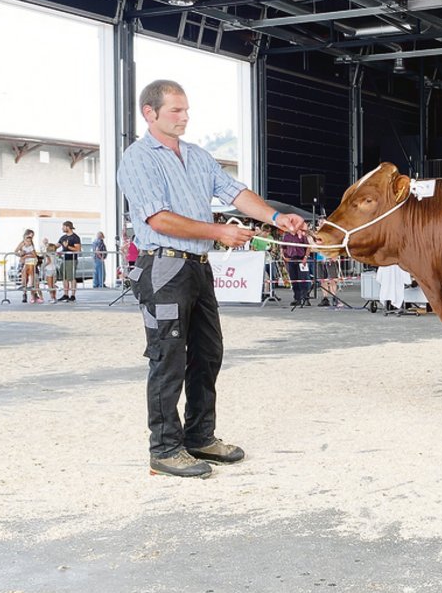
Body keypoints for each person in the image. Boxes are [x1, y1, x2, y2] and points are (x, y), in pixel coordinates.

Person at [117, 78, 308, 479]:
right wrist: (219, 232)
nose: (185, 117)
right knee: (167, 356)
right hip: (164, 266)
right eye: (175, 110)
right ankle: (165, 449)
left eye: (186, 110)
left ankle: (200, 436)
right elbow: (158, 218)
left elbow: (235, 192)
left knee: (208, 353)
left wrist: (276, 218)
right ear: (149, 113)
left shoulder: (198, 156)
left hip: (197, 266)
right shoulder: (137, 158)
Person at [281, 227, 310, 309]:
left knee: (303, 279)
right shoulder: (286, 236)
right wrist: (284, 257)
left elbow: (308, 247)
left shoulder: (302, 236)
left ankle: (305, 298)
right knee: (294, 280)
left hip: (301, 259)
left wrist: (305, 258)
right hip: (291, 259)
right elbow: (283, 248)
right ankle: (297, 298)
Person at [13, 228, 42, 303]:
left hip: (31, 262)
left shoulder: (31, 243)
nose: (31, 238)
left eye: (32, 236)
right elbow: (15, 252)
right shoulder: (22, 243)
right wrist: (21, 254)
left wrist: (28, 255)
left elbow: (34, 253)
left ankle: (34, 294)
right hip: (25, 262)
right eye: (30, 236)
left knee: (34, 277)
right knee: (24, 277)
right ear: (26, 235)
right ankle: (24, 293)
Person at [57, 220, 82, 302]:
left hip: (72, 259)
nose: (62, 228)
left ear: (68, 227)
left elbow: (78, 250)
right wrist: (48, 246)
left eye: (63, 226)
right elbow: (56, 246)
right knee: (65, 278)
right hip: (64, 260)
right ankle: (65, 294)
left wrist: (68, 247)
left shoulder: (75, 237)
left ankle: (73, 295)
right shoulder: (63, 237)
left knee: (71, 277)